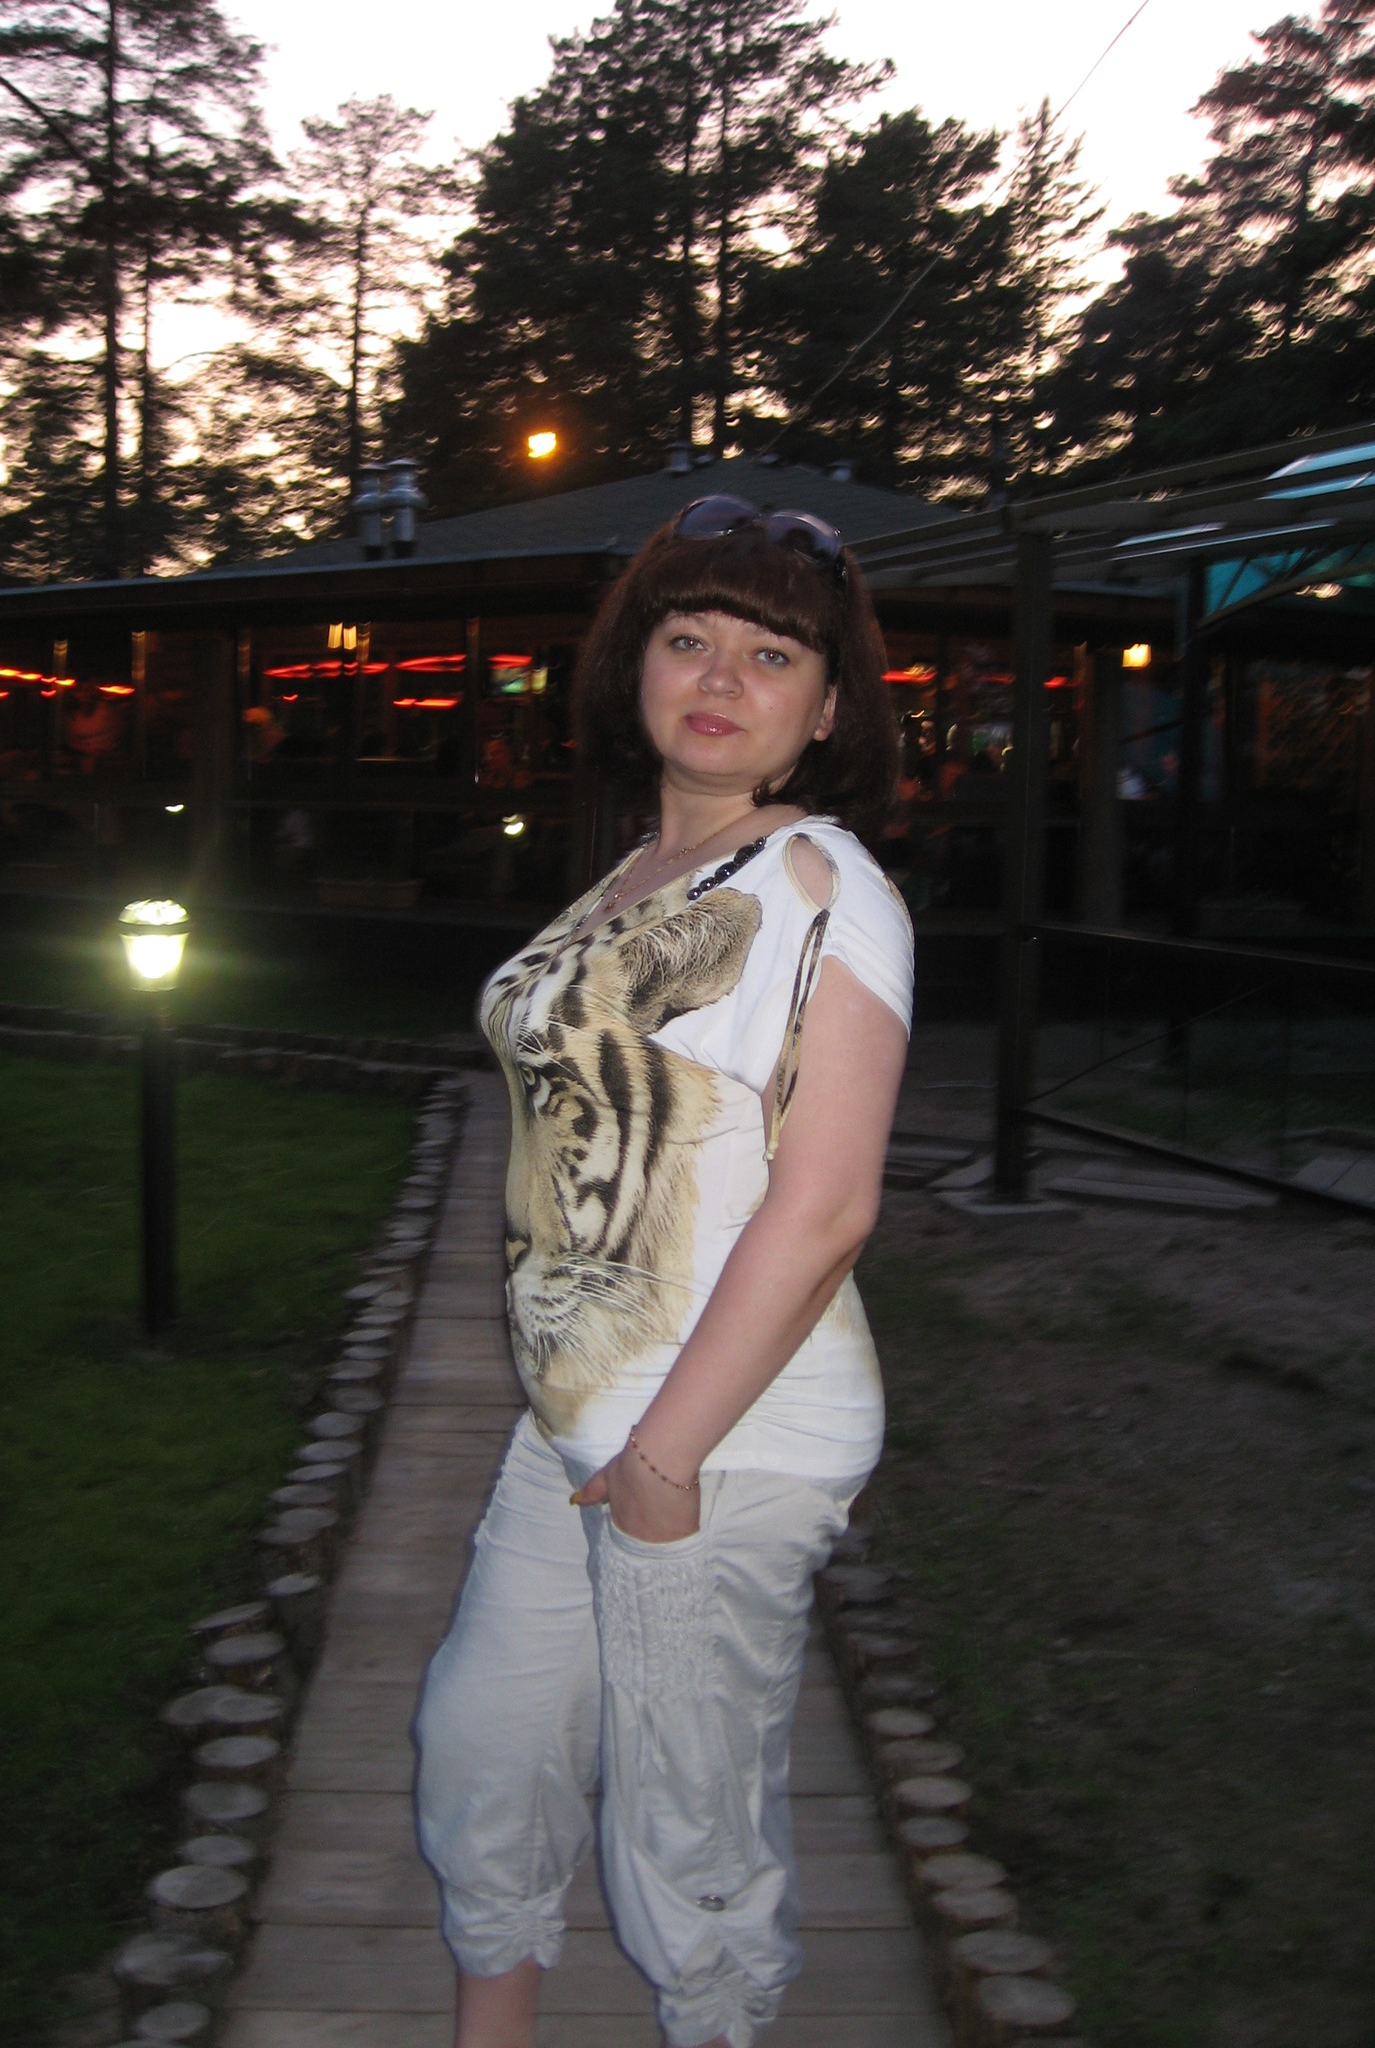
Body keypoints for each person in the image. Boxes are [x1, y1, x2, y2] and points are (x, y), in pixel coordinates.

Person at [415, 495, 914, 2048]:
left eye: (772, 655)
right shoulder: (632, 875)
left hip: (720, 1439)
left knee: (686, 1845)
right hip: (579, 1420)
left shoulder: (821, 885)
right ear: (634, 662)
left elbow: (827, 1205)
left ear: (824, 712)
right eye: (689, 637)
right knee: (482, 1754)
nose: (719, 676)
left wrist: (666, 1462)